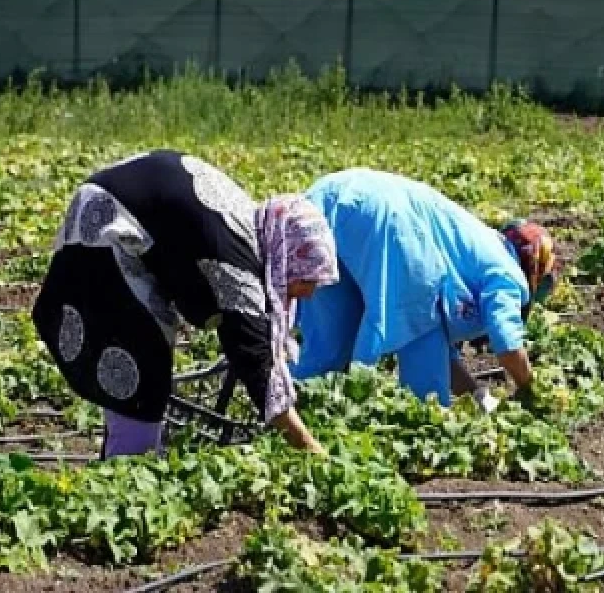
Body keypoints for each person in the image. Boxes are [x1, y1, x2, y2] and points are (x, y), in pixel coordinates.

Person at [30, 149, 340, 457]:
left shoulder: (252, 228)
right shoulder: (235, 262)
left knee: (142, 357)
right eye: (307, 279)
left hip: (111, 210)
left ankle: (129, 458)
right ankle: (127, 469)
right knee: (137, 361)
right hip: (106, 232)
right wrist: (311, 449)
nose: (308, 293)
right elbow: (254, 359)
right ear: (286, 257)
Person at [290, 168, 559, 410]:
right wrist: (530, 390)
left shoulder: (476, 247)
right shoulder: (509, 274)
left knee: (331, 340)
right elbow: (507, 341)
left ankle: (294, 410)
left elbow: (442, 354)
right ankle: (400, 415)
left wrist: (478, 397)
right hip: (388, 220)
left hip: (330, 199)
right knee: (414, 331)